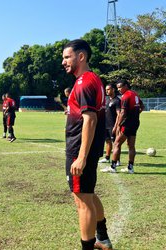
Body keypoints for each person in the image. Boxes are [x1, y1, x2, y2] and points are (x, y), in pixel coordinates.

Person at [62, 39, 112, 250]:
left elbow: (90, 119)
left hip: (79, 150)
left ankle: (90, 246)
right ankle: (102, 237)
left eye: (67, 57)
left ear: (81, 57)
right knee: (88, 194)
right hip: (85, 148)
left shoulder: (84, 82)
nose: (63, 62)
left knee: (82, 201)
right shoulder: (91, 80)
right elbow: (85, 115)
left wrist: (81, 157)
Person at [101, 79, 144, 174]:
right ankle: (130, 168)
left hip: (127, 123)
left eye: (120, 87)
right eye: (117, 88)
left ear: (126, 86)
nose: (119, 89)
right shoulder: (135, 94)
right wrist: (135, 114)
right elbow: (142, 106)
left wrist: (118, 125)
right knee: (131, 146)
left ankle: (113, 167)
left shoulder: (126, 96)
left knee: (116, 144)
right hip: (135, 123)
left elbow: (122, 112)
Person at [98, 83, 121, 165]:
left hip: (113, 125)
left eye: (108, 89)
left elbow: (119, 114)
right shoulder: (106, 99)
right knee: (107, 141)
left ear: (113, 89)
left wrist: (116, 126)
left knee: (115, 143)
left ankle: (117, 160)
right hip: (105, 125)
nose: (106, 91)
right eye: (106, 89)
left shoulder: (117, 100)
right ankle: (107, 158)